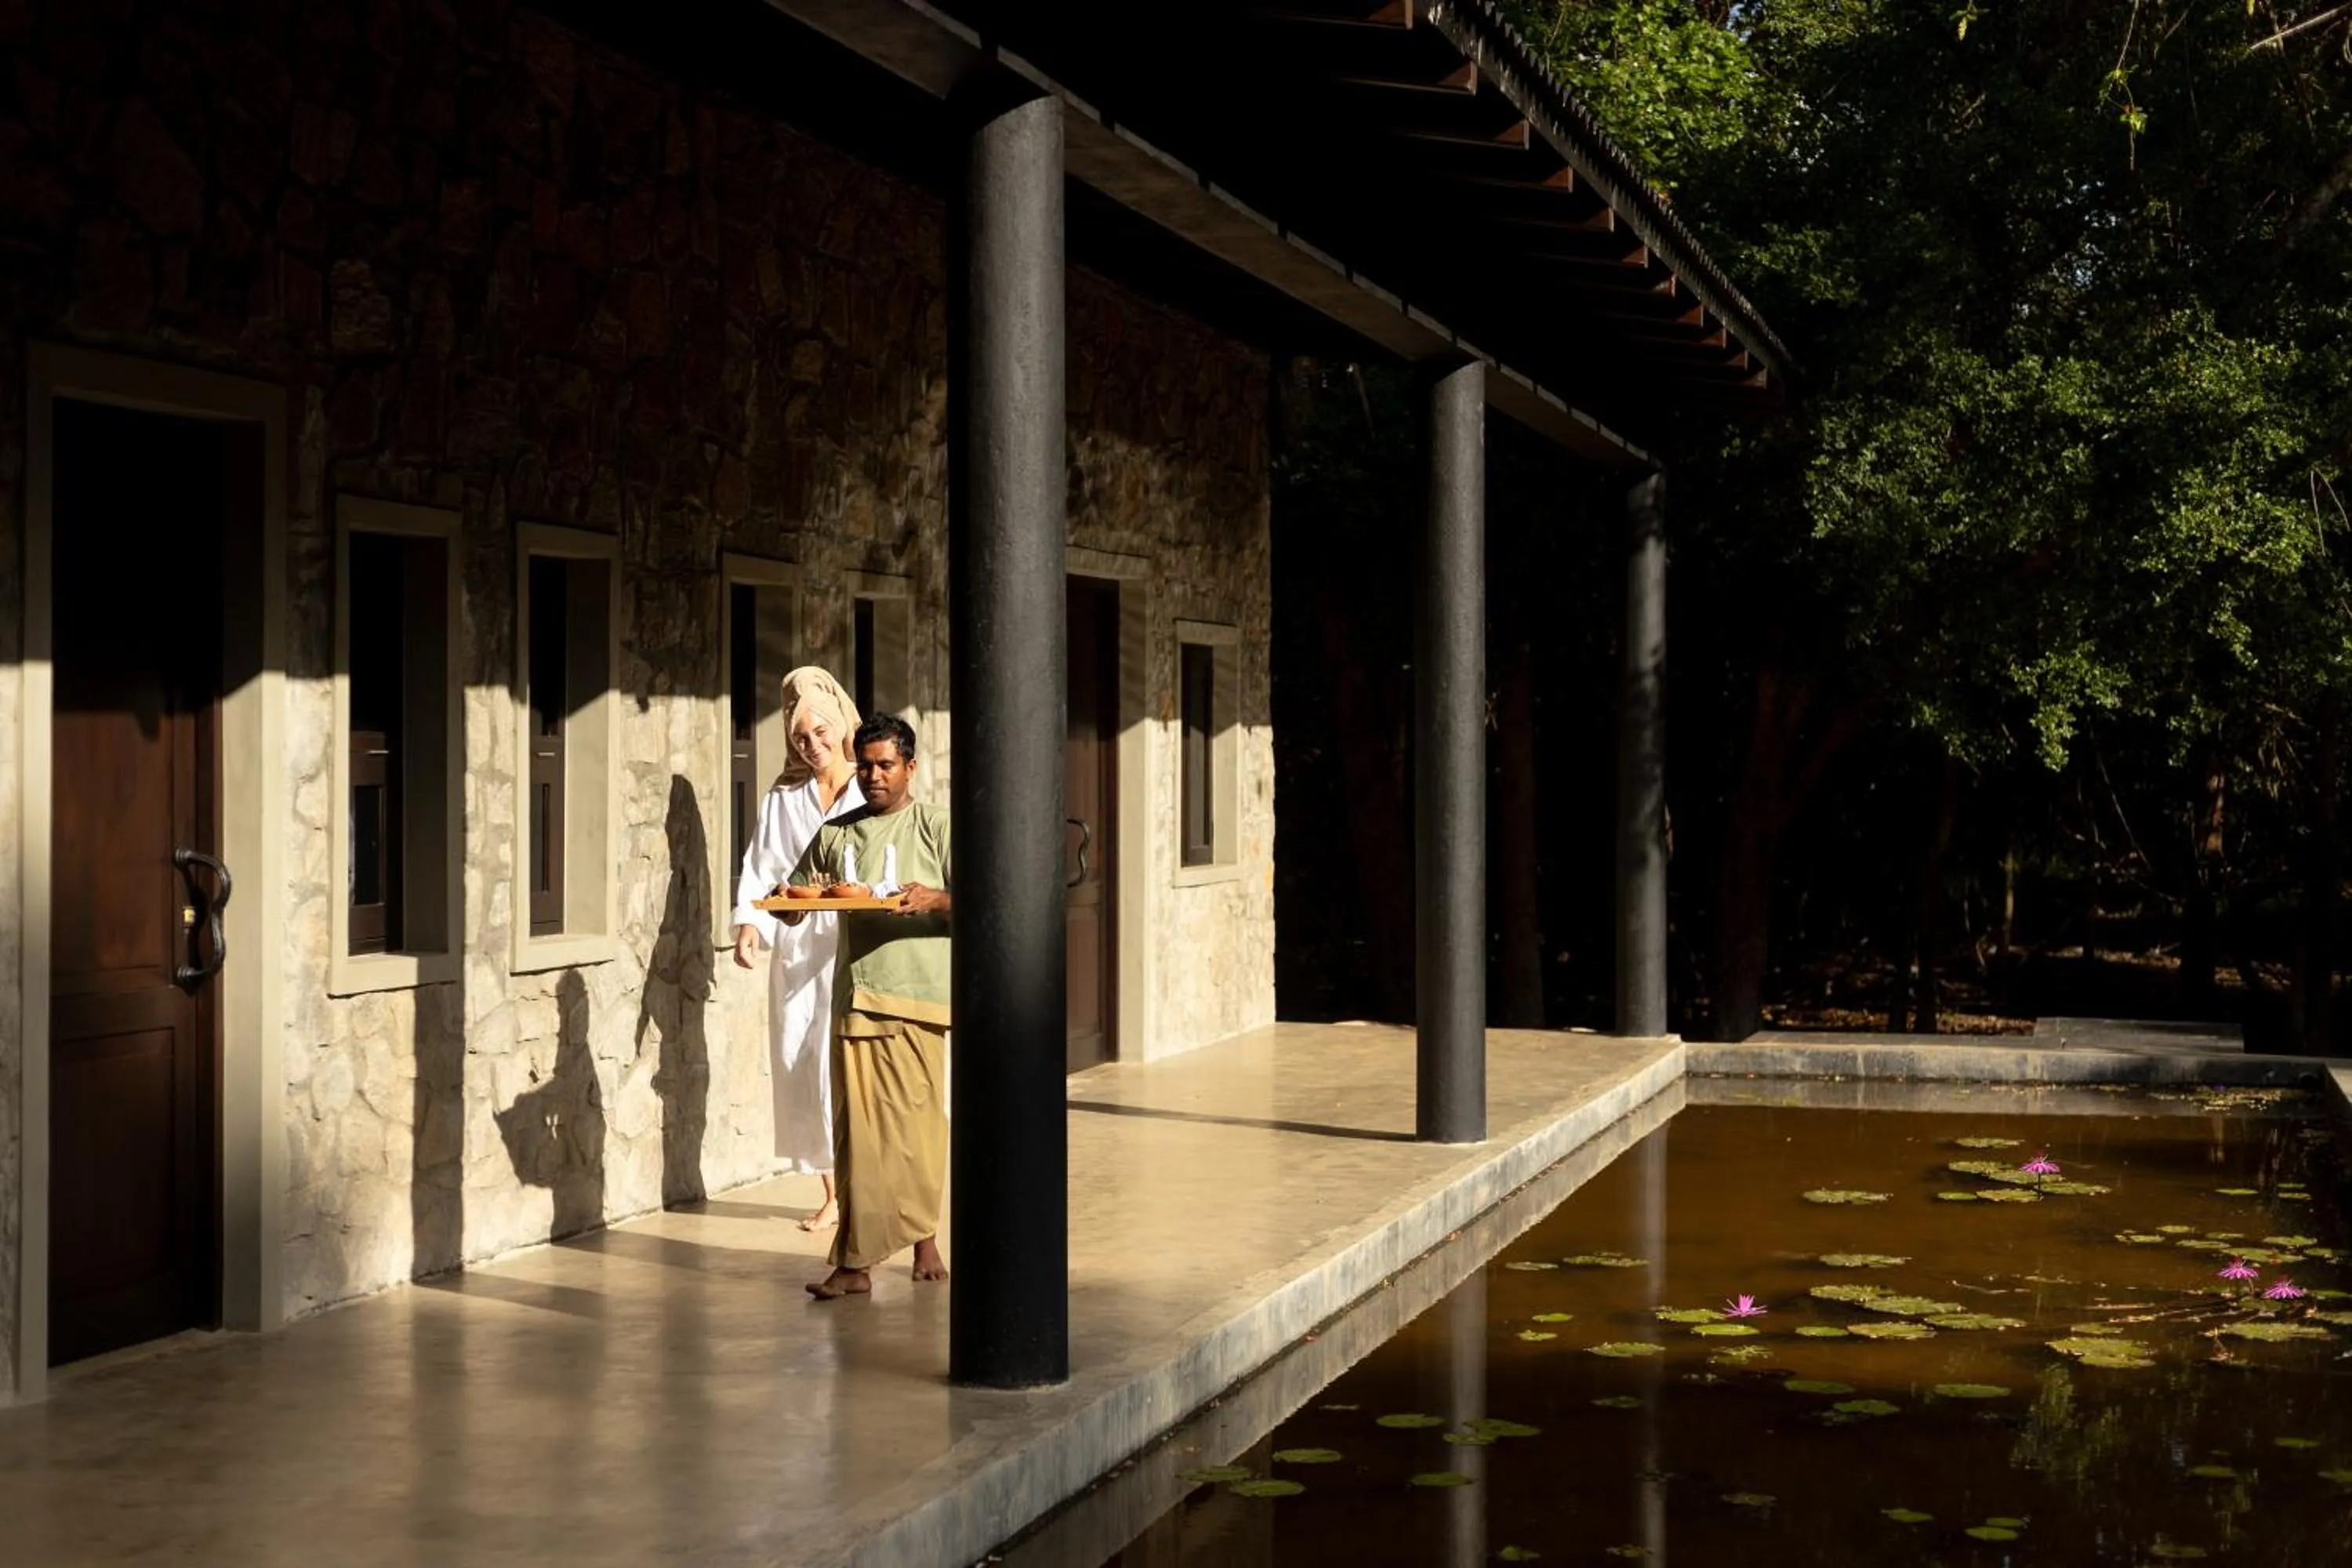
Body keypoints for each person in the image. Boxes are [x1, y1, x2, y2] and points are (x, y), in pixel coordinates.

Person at [779, 713, 953, 1300]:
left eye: (885, 765)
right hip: (857, 1000)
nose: (874, 776)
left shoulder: (936, 827)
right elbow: (799, 891)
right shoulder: (838, 832)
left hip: (920, 1000)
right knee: (860, 1137)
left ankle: (925, 1239)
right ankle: (855, 1264)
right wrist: (787, 909)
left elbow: (991, 895)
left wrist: (937, 898)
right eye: (866, 765)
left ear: (910, 767)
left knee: (918, 1133)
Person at [730, 667, 866, 1230]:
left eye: (819, 732)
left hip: (858, 939)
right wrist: (749, 924)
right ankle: (833, 1191)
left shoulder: (871, 784)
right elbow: (763, 863)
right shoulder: (784, 797)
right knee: (803, 1063)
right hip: (800, 943)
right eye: (800, 739)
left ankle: (866, 1188)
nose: (812, 746)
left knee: (850, 1063)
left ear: (840, 726)